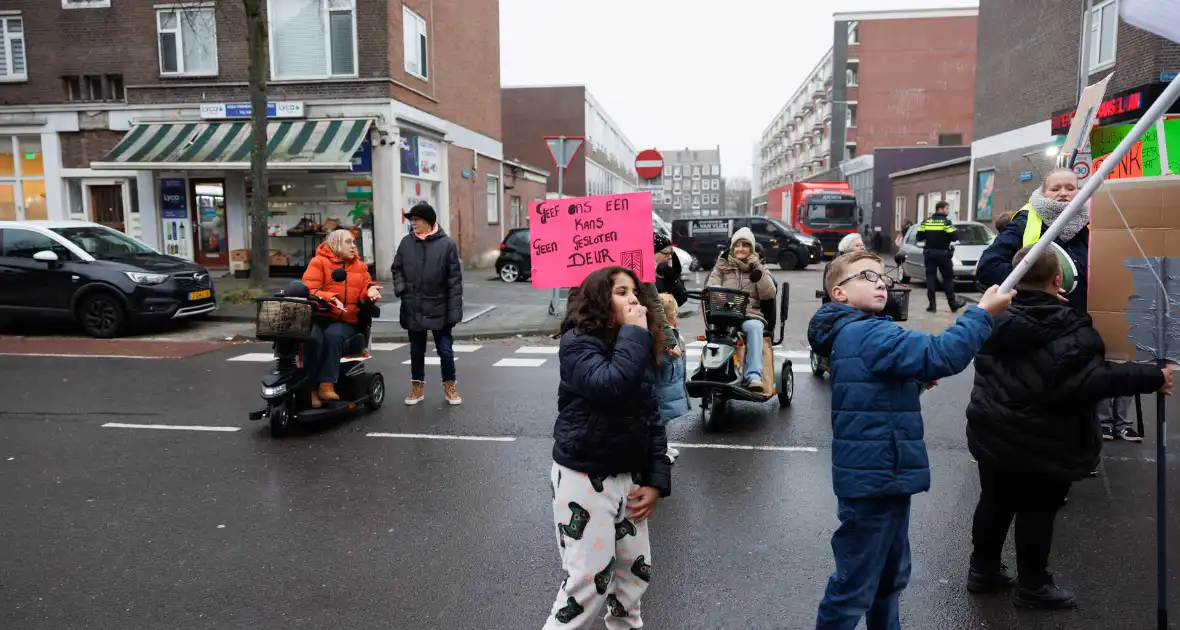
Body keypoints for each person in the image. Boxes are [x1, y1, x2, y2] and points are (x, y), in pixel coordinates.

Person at [807, 250, 1014, 630]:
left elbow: (868, 393)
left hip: (883, 475)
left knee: (888, 578)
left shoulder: (852, 333)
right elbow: (942, 354)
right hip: (875, 478)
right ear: (839, 293)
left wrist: (912, 382)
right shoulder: (869, 331)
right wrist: (982, 313)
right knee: (854, 586)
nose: (880, 282)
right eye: (866, 276)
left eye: (880, 275)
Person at [965, 245, 1171, 610]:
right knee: (1037, 510)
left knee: (994, 502)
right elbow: (1092, 380)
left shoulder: (990, 320)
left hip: (995, 431)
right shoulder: (1071, 326)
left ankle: (982, 571)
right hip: (1046, 439)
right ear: (1059, 279)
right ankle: (1033, 586)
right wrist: (1153, 376)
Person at [544, 266, 672, 630]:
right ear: (600, 300)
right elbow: (609, 386)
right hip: (585, 476)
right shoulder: (578, 342)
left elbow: (650, 415)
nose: (633, 299)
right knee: (587, 586)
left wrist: (655, 480)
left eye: (635, 291)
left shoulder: (634, 344)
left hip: (628, 477)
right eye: (620, 291)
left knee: (633, 577)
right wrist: (635, 334)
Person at [976, 168, 1139, 443]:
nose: (1064, 193)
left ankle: (1080, 455)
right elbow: (989, 267)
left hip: (1083, 324)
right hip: (1037, 324)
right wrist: (1037, 289)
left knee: (1082, 392)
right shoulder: (1026, 221)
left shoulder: (1095, 222)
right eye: (1056, 188)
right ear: (1043, 191)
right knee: (1043, 395)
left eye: (1070, 187)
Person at [392, 202, 464, 406]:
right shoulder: (406, 243)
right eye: (411, 220)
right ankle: (417, 387)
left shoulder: (447, 245)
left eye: (417, 220)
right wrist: (401, 288)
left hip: (439, 307)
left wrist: (454, 313)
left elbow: (455, 282)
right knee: (416, 350)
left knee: (445, 350)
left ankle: (450, 387)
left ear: (429, 221)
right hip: (413, 306)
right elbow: (396, 268)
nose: (413, 224)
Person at [301, 229, 382, 408]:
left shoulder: (360, 266)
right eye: (348, 242)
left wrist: (370, 291)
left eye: (354, 242)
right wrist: (329, 297)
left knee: (333, 336)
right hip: (320, 316)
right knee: (312, 339)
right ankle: (310, 388)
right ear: (335, 243)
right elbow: (309, 290)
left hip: (345, 319)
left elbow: (367, 285)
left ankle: (326, 384)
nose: (353, 245)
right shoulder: (318, 262)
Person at [706, 227, 777, 392]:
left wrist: (759, 273)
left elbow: (769, 294)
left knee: (755, 327)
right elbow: (711, 286)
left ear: (751, 248)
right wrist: (720, 295)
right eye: (737, 245)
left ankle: (754, 377)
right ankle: (711, 370)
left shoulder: (759, 267)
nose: (740, 249)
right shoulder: (721, 266)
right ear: (732, 247)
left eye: (745, 245)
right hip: (724, 312)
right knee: (716, 332)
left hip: (750, 314)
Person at [655, 293, 689, 463]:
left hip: (669, 382)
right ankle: (659, 450)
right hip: (662, 383)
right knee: (658, 419)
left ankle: (663, 445)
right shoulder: (659, 336)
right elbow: (658, 360)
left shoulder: (672, 333)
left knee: (664, 420)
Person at [916, 201, 966, 313]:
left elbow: (919, 237)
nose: (948, 211)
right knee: (947, 279)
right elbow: (954, 237)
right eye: (947, 208)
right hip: (943, 254)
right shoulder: (946, 223)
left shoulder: (926, 222)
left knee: (930, 278)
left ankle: (932, 306)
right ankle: (952, 304)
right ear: (940, 209)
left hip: (929, 253)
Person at [654, 232, 687, 306]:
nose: (670, 257)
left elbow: (681, 299)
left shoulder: (671, 269)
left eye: (671, 253)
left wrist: (672, 280)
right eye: (666, 253)